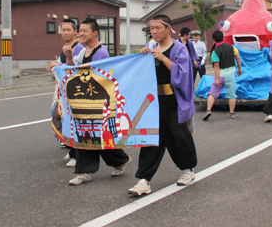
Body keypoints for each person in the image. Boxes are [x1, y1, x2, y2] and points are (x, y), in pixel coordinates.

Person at [129, 15, 198, 196]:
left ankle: (187, 170)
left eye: (157, 28)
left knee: (179, 135)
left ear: (168, 28)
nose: (153, 31)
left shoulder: (179, 48)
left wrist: (163, 58)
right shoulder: (151, 47)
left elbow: (184, 74)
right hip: (154, 101)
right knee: (151, 138)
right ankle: (144, 180)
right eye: (151, 28)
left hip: (174, 100)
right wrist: (144, 58)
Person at [64, 19, 132, 186]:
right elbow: (73, 69)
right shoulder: (84, 51)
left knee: (95, 135)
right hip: (84, 100)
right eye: (80, 30)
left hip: (97, 101)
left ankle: (86, 171)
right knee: (88, 135)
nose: (81, 33)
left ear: (95, 33)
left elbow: (96, 76)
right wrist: (68, 57)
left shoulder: (101, 52)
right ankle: (117, 161)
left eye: (84, 31)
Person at [46, 19, 85, 167]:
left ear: (75, 32)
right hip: (62, 89)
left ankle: (75, 151)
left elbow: (76, 67)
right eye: (63, 30)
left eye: (68, 30)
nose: (65, 33)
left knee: (70, 119)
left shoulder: (79, 47)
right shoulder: (65, 47)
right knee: (58, 116)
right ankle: (69, 146)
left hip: (74, 89)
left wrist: (59, 65)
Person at [203, 30, 243, 121]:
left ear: (214, 39)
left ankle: (208, 110)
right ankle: (232, 113)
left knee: (212, 93)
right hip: (230, 75)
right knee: (232, 95)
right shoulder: (231, 47)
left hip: (220, 75)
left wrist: (216, 79)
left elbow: (216, 66)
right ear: (223, 37)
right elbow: (238, 58)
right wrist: (240, 69)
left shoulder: (215, 52)